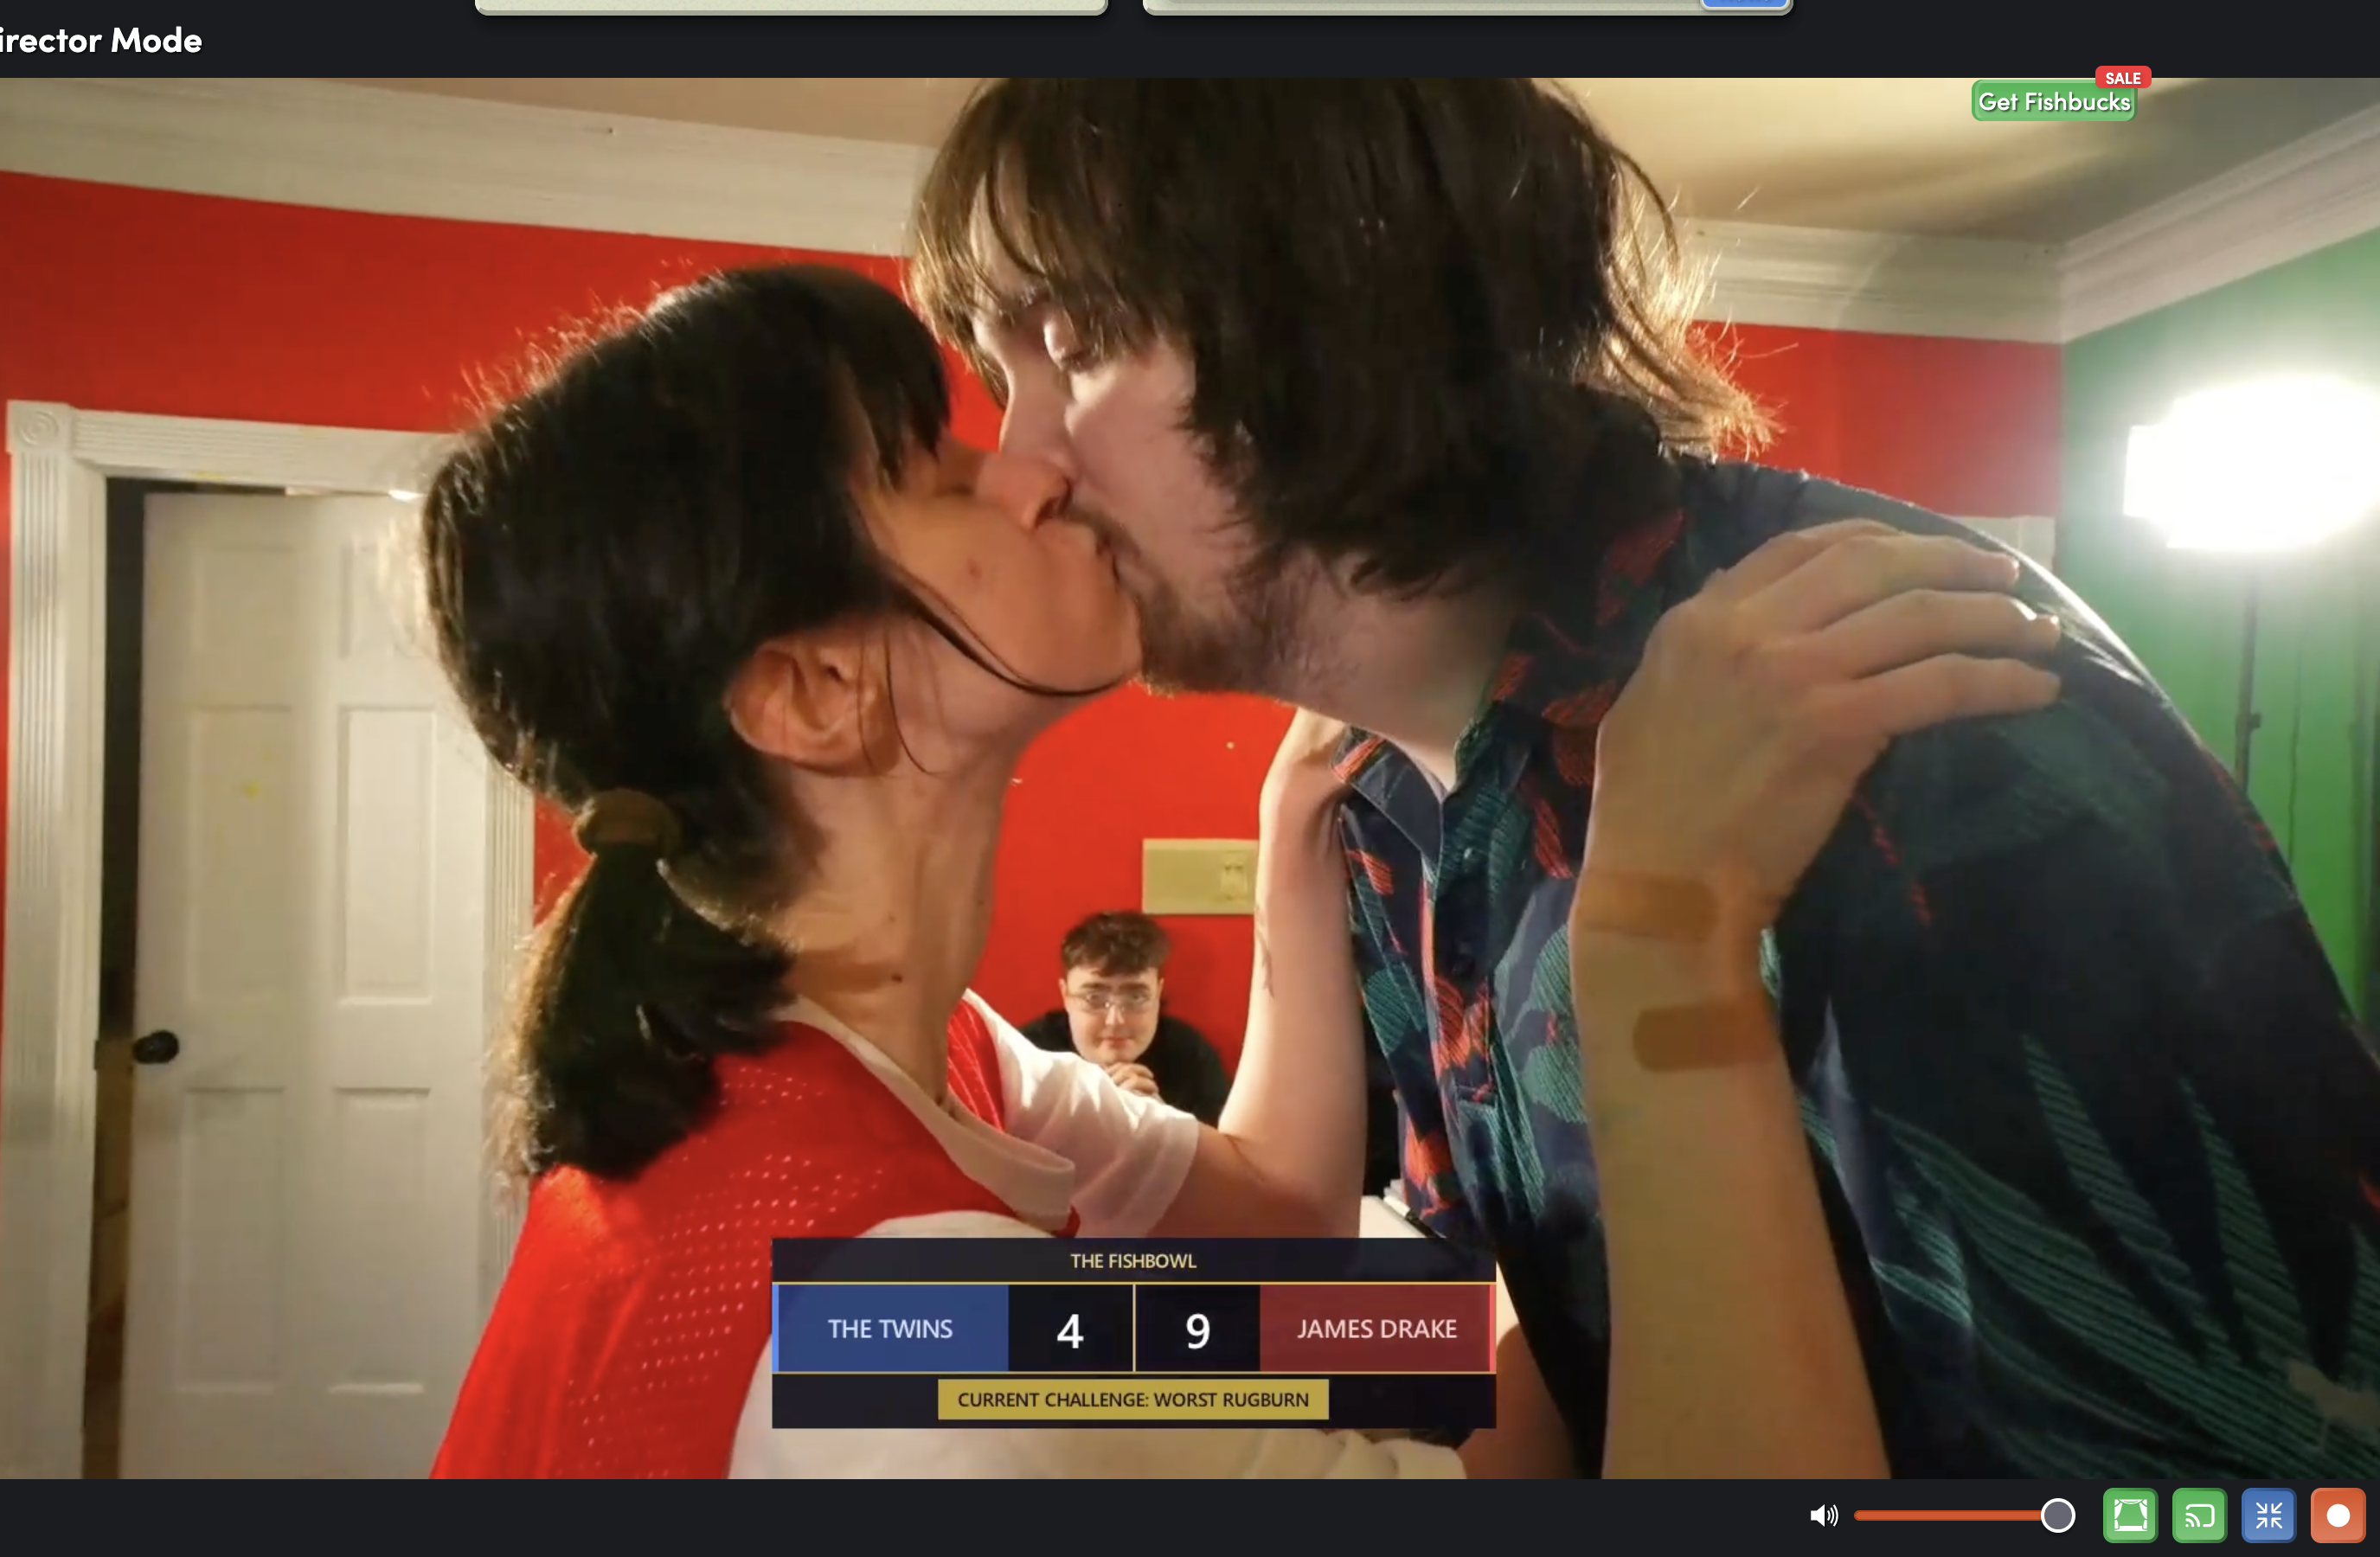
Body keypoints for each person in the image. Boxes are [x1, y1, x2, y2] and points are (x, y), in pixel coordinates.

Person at [911, 78, 2380, 1480]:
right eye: (999, 371)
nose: (1022, 466)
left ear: (1337, 306)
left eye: (1077, 344)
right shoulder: (1389, 801)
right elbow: (1528, 1313)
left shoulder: (1880, 725)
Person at [417, 263, 2052, 1478]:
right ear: (817, 690)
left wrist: (1292, 852)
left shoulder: (911, 1070)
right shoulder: (911, 1334)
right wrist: (1652, 931)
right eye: (937, 474)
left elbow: (1275, 1220)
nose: (1035, 472)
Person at [1020, 911, 1233, 1123]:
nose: (1115, 1020)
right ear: (1066, 996)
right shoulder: (1027, 1056)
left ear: (1158, 994)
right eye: (1093, 997)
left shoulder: (1191, 1057)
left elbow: (1223, 1142)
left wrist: (1162, 1122)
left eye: (1136, 997)